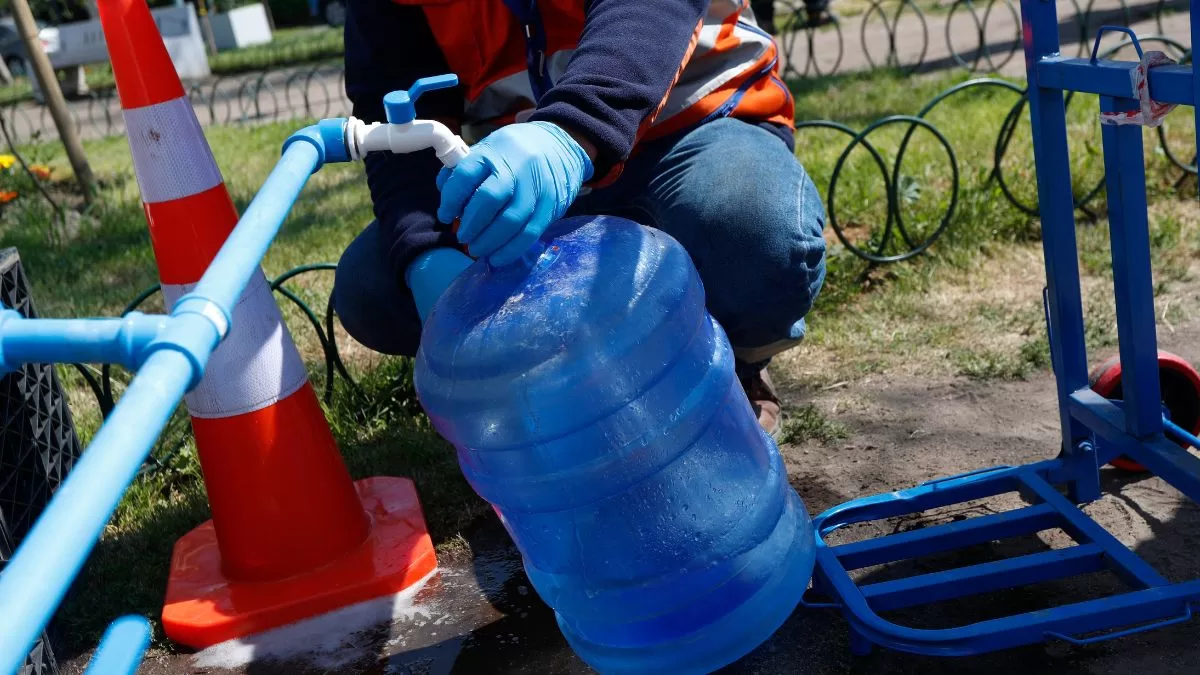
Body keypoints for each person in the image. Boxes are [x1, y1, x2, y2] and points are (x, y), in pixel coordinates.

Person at [334, 0, 827, 438]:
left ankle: (728, 357)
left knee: (753, 228)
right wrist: (427, 252)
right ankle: (550, 390)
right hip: (522, 169)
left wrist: (572, 132)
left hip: (690, 131)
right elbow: (397, 106)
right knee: (373, 286)